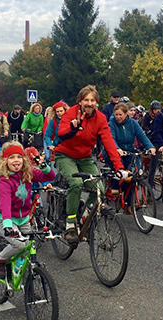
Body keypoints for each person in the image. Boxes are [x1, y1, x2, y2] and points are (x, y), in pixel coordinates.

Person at [55, 85, 125, 245]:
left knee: (100, 189)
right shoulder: (71, 113)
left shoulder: (100, 118)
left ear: (97, 103)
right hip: (65, 155)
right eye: (86, 100)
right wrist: (73, 127)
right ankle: (70, 224)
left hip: (85, 158)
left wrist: (119, 167)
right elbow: (61, 133)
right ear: (80, 101)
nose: (89, 103)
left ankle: (83, 219)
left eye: (92, 100)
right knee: (76, 183)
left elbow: (108, 142)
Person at [0, 141, 55, 279]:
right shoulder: (5, 181)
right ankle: (0, 260)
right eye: (12, 157)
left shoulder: (28, 173)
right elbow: (5, 203)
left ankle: (28, 285)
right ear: (5, 161)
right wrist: (8, 226)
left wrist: (43, 166)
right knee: (20, 245)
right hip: (6, 220)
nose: (16, 161)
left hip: (24, 219)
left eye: (19, 157)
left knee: (30, 245)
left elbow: (51, 177)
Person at [104, 103, 156, 214]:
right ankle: (114, 186)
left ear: (126, 113)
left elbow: (141, 135)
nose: (118, 117)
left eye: (121, 114)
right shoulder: (111, 123)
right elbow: (111, 137)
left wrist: (150, 147)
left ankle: (128, 203)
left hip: (129, 151)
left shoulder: (133, 123)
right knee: (119, 167)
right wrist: (117, 148)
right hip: (114, 152)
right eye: (116, 114)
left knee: (133, 175)